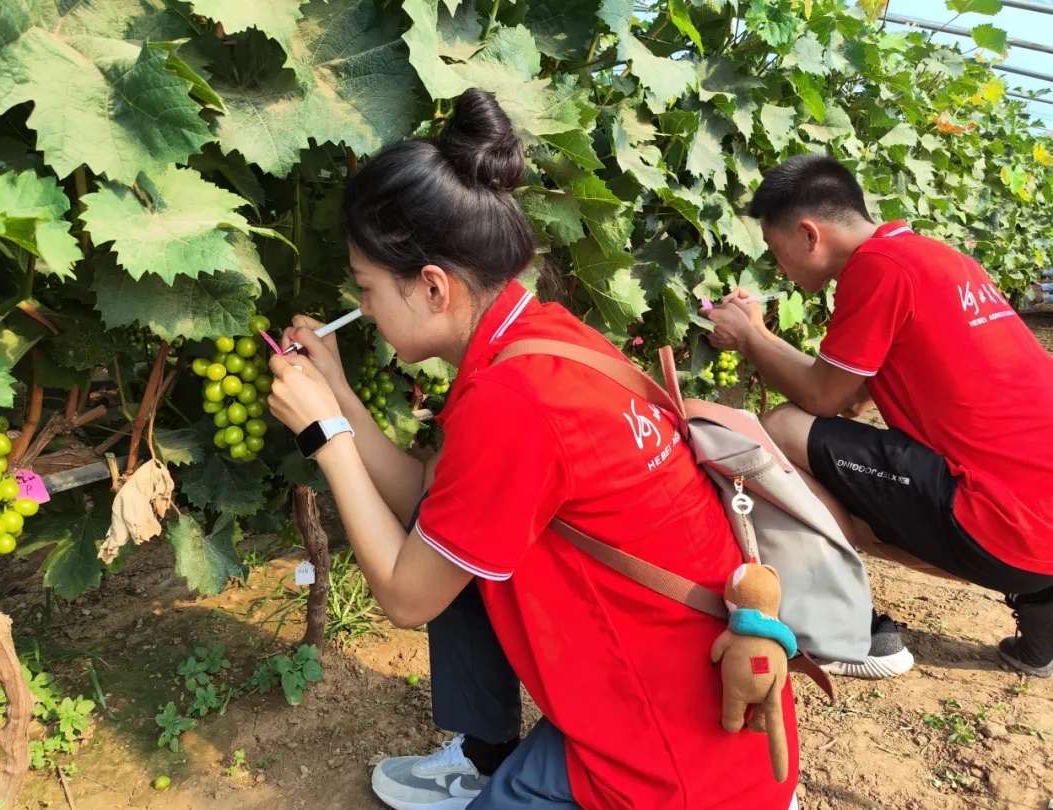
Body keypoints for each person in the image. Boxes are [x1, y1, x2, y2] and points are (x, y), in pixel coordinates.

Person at [265, 89, 801, 809]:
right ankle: (492, 761)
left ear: (432, 287)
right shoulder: (541, 338)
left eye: (367, 288)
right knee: (452, 541)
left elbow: (406, 596)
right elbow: (438, 500)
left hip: (669, 760)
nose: (362, 309)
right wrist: (341, 395)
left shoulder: (515, 402)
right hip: (684, 685)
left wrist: (324, 434)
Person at [702, 154, 1053, 679]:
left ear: (809, 233)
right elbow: (853, 399)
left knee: (780, 430)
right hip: (1040, 520)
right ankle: (1043, 629)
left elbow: (821, 400)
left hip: (1004, 529)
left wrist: (751, 337)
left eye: (778, 253)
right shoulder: (934, 258)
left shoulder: (876, 270)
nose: (781, 271)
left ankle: (854, 632)